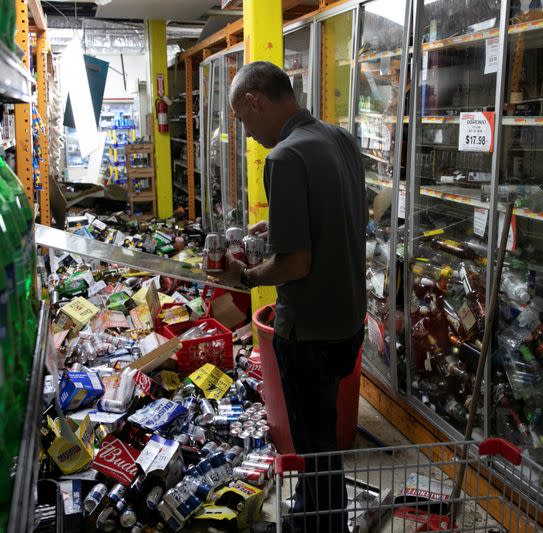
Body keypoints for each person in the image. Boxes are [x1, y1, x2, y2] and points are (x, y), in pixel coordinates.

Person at [212, 61, 366, 532]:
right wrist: (275, 227)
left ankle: (320, 522)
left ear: (256, 100)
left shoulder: (283, 158)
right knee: (325, 439)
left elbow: (294, 264)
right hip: (348, 323)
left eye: (243, 119)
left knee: (312, 444)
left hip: (309, 332)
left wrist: (243, 275)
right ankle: (320, 510)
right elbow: (335, 218)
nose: (248, 133)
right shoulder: (340, 139)